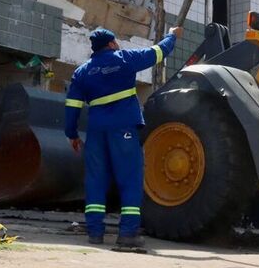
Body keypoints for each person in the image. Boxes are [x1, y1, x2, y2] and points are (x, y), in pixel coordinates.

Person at [64, 25, 180, 250]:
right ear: (111, 44)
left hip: (96, 131)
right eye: (115, 42)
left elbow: (72, 106)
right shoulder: (124, 59)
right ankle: (127, 234)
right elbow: (158, 52)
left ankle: (95, 233)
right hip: (123, 128)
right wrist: (172, 35)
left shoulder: (82, 72)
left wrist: (72, 134)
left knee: (95, 180)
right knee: (129, 178)